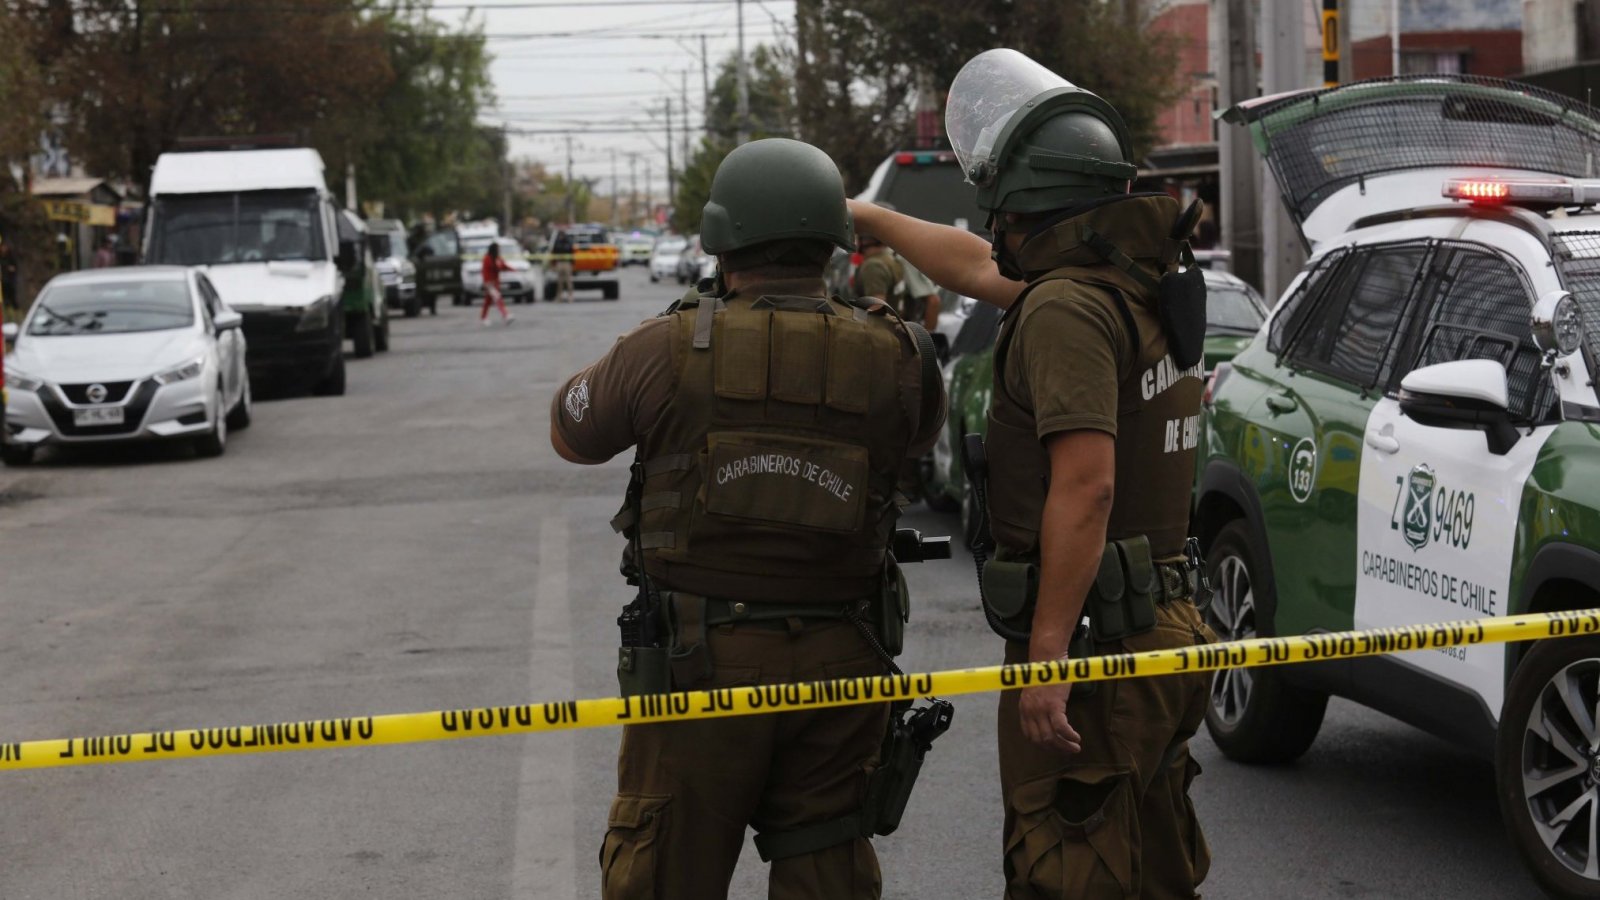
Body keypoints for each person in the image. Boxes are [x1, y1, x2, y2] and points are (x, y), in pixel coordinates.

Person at [850, 48, 1214, 898]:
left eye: (1002, 206)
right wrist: (867, 215)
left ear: (1026, 202)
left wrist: (1048, 657)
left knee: (1068, 868)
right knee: (1152, 867)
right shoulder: (1137, 283)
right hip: (1166, 625)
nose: (995, 224)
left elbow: (1087, 487)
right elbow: (973, 266)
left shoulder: (1064, 311)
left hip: (1098, 647)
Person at [550, 137, 945, 900]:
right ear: (835, 243)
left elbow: (572, 433)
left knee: (665, 873)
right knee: (828, 870)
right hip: (842, 662)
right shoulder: (901, 354)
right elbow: (916, 440)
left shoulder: (664, 348)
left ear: (722, 238)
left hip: (700, 668)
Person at [479, 241, 514, 326]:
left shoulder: (497, 258)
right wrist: (487, 283)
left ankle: (483, 317)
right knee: (497, 298)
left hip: (495, 283)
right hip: (489, 283)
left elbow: (503, 266)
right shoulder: (487, 259)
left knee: (488, 301)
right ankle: (505, 315)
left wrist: (513, 270)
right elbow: (485, 271)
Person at [550, 227, 575, 302]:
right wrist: (553, 264)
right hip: (559, 262)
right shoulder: (557, 242)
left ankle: (570, 297)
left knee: (568, 281)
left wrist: (572, 262)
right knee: (559, 282)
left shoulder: (568, 242)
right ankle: (559, 297)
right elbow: (554, 252)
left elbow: (571, 252)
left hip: (567, 262)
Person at [0, 234, 18, 316]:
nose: (3, 249)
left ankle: (14, 310)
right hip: (3, 280)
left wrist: (11, 269)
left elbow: (14, 267)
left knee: (11, 295)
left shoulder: (10, 257)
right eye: (2, 247)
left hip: (9, 279)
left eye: (5, 247)